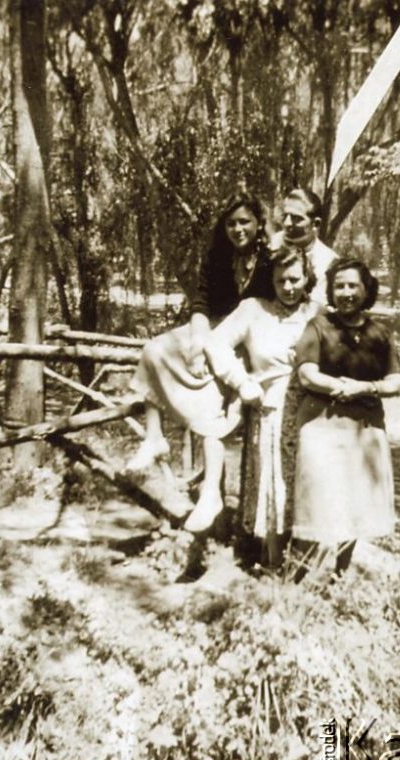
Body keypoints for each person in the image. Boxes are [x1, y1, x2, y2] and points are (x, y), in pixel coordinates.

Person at [127, 188, 274, 533]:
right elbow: (201, 305)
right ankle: (153, 438)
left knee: (213, 398)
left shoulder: (270, 260)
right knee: (153, 350)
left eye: (245, 222)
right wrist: (196, 342)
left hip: (249, 339)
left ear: (258, 223)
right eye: (231, 223)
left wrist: (214, 349)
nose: (238, 229)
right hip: (212, 332)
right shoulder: (217, 258)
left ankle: (211, 494)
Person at [204, 246, 321, 567]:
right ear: (270, 279)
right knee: (273, 483)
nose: (288, 287)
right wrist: (242, 381)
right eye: (281, 280)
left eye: (295, 279)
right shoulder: (253, 310)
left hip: (313, 415)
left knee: (310, 484)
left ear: (307, 277)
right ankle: (272, 562)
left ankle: (307, 562)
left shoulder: (317, 314)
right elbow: (214, 344)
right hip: (270, 410)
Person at [293, 257, 400, 574]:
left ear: (366, 289)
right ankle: (299, 575)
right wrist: (341, 387)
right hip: (321, 427)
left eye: (353, 285)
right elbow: (307, 374)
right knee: (317, 500)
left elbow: (396, 381)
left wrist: (364, 388)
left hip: (365, 430)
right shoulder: (318, 326)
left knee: (354, 503)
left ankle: (340, 573)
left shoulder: (378, 333)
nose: (345, 293)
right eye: (339, 286)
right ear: (331, 290)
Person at [271, 187, 338, 305]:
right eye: (285, 216)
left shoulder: (329, 262)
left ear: (315, 224)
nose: (287, 223)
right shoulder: (272, 244)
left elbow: (318, 306)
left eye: (296, 218)